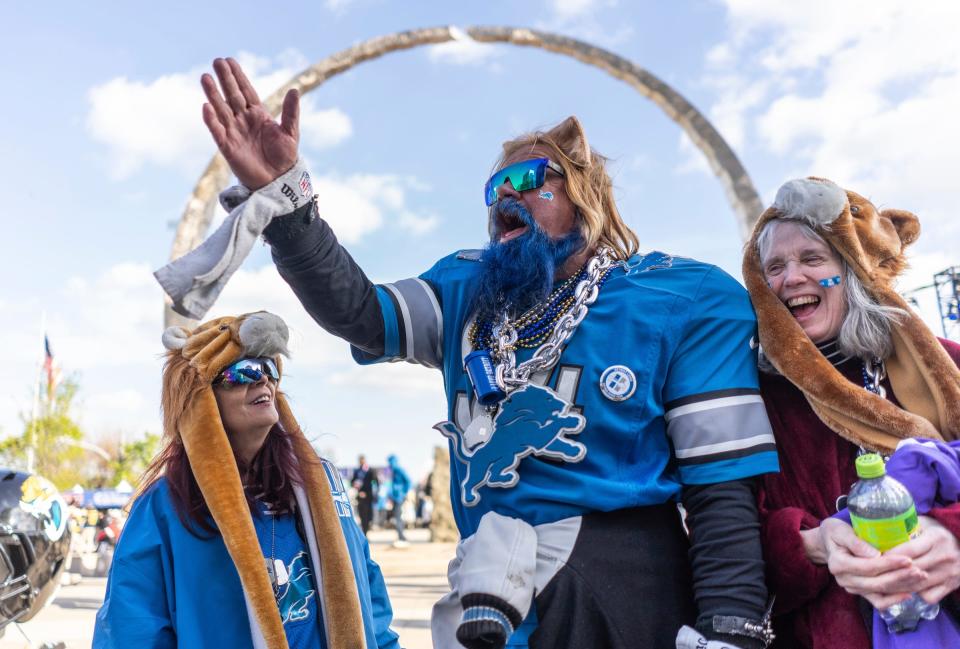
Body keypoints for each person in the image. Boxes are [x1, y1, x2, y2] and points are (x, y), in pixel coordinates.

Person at [157, 57, 781, 649]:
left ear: (587, 191)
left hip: (617, 594)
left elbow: (720, 490)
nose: (504, 197)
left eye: (529, 179)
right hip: (488, 593)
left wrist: (730, 624)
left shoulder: (682, 295)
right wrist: (288, 205)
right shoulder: (466, 289)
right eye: (494, 187)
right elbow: (361, 314)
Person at [93, 311, 400, 649]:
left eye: (268, 369)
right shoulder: (165, 505)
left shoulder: (320, 483)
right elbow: (131, 630)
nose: (263, 380)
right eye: (244, 371)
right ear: (200, 400)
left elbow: (368, 595)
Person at [741, 177, 960, 648]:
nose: (791, 278)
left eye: (813, 259)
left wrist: (954, 536)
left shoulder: (948, 365)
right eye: (774, 266)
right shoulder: (754, 401)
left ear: (852, 270)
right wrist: (809, 545)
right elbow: (725, 537)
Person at [386, 455, 411, 545]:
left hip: (399, 497)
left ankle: (402, 537)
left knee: (397, 517)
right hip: (395, 497)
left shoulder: (399, 470)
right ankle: (401, 536)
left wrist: (403, 493)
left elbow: (408, 481)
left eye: (391, 462)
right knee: (397, 517)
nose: (390, 464)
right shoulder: (394, 471)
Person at [352, 454, 379, 537]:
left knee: (369, 516)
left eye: (362, 460)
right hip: (360, 496)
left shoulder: (370, 470)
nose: (361, 462)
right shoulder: (357, 471)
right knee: (362, 516)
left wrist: (375, 492)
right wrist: (357, 489)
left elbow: (375, 481)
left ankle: (366, 531)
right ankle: (364, 534)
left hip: (369, 497)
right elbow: (352, 482)